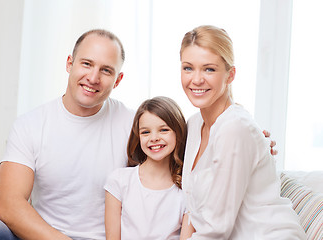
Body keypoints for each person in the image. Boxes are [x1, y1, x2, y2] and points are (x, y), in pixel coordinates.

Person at [0, 29, 135, 239]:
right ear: (69, 63)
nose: (93, 77)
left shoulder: (134, 125)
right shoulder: (30, 125)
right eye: (86, 64)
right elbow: (7, 205)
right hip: (43, 237)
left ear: (117, 80)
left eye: (106, 70)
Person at [179, 25, 306, 239]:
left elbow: (216, 229)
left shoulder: (235, 128)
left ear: (230, 75)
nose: (196, 79)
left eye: (209, 69)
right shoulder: (194, 124)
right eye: (188, 68)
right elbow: (193, 210)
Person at [104, 96, 194, 240]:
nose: (154, 138)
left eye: (163, 130)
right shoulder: (119, 181)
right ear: (138, 137)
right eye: (145, 132)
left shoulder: (187, 189)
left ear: (178, 132)